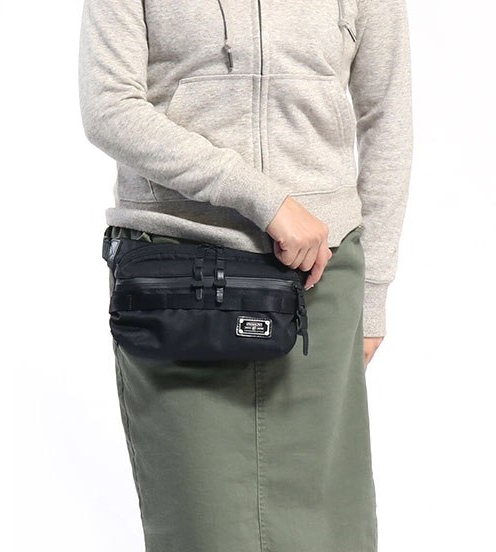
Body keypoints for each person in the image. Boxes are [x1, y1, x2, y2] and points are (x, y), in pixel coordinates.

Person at [79, 0, 411, 550]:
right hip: (178, 278)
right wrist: (265, 199)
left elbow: (387, 114)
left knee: (327, 532)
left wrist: (373, 292)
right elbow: (109, 107)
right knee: (200, 528)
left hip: (319, 279)